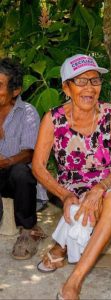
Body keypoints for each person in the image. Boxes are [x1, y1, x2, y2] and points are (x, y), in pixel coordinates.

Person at [32, 54, 111, 300]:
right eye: (81, 82)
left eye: (95, 81)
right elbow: (38, 167)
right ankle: (61, 245)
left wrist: (99, 189)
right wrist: (65, 195)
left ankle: (73, 282)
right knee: (79, 203)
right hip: (70, 187)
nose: (90, 88)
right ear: (66, 88)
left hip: (108, 183)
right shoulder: (52, 119)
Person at [0, 57, 46, 259]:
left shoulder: (27, 112)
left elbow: (30, 154)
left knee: (21, 172)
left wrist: (7, 161)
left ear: (15, 90)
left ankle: (28, 230)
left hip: (12, 177)